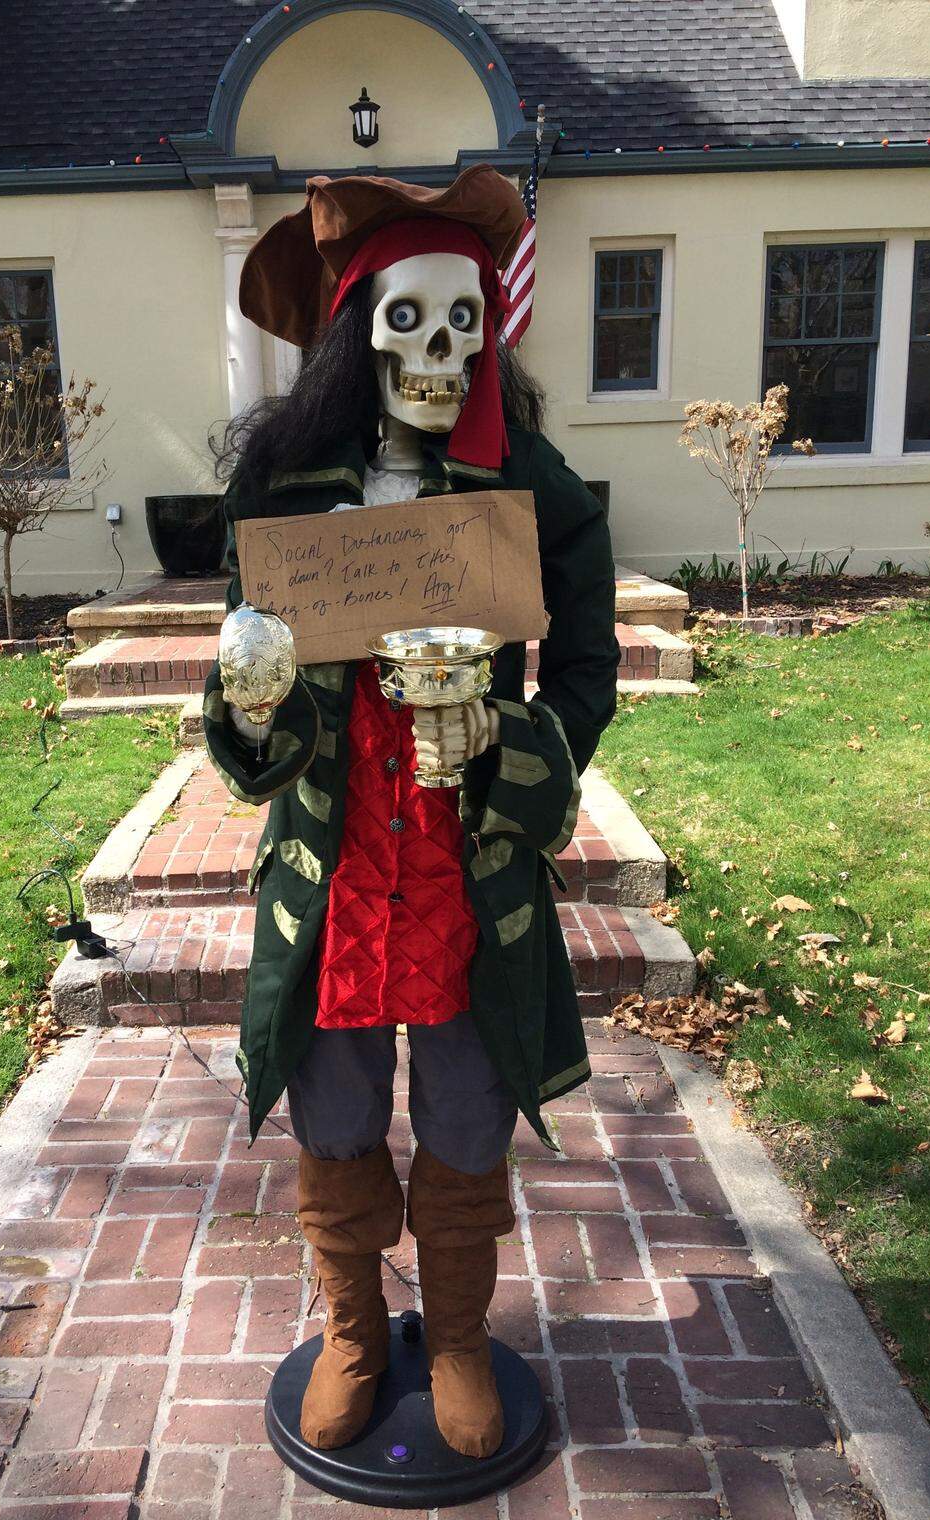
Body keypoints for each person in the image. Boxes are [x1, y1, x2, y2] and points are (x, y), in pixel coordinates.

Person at [201, 164, 620, 1460]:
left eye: (464, 321)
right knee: (331, 1109)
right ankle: (344, 1329)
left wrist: (519, 753)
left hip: (458, 864)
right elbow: (245, 687)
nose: (439, 351)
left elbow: (590, 661)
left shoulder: (526, 484)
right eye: (408, 320)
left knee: (460, 1109)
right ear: (356, 332)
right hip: (331, 869)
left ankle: (448, 1338)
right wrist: (255, 695)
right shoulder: (285, 489)